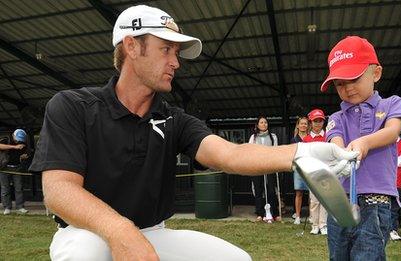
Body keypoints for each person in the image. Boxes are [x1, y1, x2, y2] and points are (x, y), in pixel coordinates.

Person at [29, 5, 358, 261]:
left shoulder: (174, 118)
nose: (176, 62)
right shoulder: (72, 105)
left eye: (176, 52)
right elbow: (59, 190)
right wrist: (119, 231)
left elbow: (230, 154)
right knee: (85, 255)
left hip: (152, 232)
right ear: (131, 46)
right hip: (86, 233)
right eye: (166, 49)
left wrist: (302, 153)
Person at [320, 36, 401, 260]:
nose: (348, 88)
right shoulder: (336, 117)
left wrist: (365, 142)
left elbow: (392, 131)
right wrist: (341, 153)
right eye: (340, 83)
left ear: (376, 73)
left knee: (368, 255)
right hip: (340, 202)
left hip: (376, 202)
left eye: (354, 78)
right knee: (337, 256)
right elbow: (335, 142)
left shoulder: (392, 104)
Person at [248, 116, 280, 223]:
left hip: (269, 166)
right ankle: (260, 213)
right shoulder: (253, 137)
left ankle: (274, 213)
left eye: (265, 122)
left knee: (271, 190)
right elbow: (250, 151)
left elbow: (275, 151)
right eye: (261, 122)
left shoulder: (273, 137)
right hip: (256, 167)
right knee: (258, 190)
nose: (264, 124)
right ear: (257, 125)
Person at [303, 109, 328, 235]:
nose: (318, 124)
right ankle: (314, 224)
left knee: (324, 199)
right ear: (310, 123)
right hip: (312, 172)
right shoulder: (306, 139)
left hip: (326, 172)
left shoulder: (328, 137)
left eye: (320, 121)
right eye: (315, 121)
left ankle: (323, 224)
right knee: (314, 200)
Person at [0, 129, 29, 215]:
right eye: (17, 139)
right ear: (13, 135)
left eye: (20, 140)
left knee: (19, 188)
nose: (18, 141)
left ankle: (20, 207)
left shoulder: (23, 142)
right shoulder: (6, 139)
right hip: (4, 168)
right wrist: (14, 147)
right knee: (5, 188)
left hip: (17, 168)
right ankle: (7, 208)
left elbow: (27, 152)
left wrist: (24, 156)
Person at [291, 116, 310, 225]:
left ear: (308, 126)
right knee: (299, 193)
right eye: (301, 123)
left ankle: (311, 216)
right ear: (298, 125)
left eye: (305, 124)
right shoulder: (294, 140)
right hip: (298, 169)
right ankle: (297, 216)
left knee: (311, 194)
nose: (303, 125)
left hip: (310, 168)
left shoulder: (310, 138)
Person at [389, 137, 401, 241]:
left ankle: (392, 230)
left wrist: (384, 162)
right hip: (381, 182)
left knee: (394, 208)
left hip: (396, 182)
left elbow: (400, 162)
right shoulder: (383, 141)